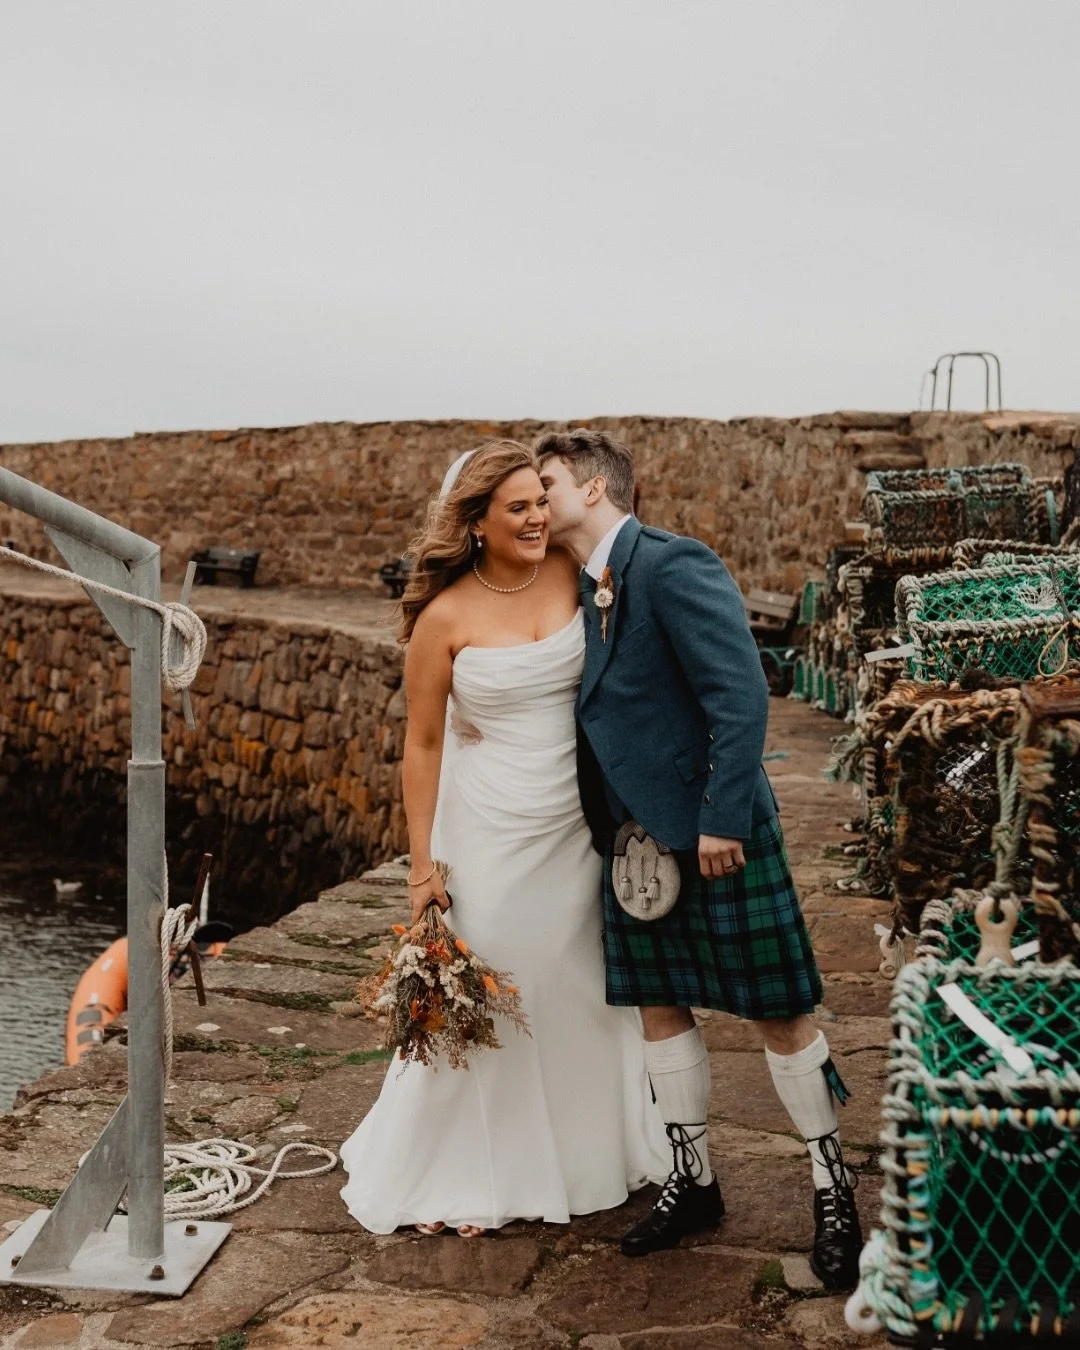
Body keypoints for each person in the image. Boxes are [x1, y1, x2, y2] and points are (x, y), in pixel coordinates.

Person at [536, 428, 862, 1290]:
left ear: (598, 489)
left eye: (549, 483)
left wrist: (722, 818)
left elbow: (741, 691)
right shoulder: (576, 584)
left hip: (715, 836)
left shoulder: (672, 565)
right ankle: (695, 1180)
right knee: (658, 1007)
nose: (537, 498)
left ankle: (835, 1189)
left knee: (779, 1011)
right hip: (636, 845)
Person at [339, 440, 668, 1236]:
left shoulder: (574, 573)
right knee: (498, 988)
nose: (535, 517)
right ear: (477, 521)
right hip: (485, 826)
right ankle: (467, 1168)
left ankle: (596, 1153)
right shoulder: (442, 619)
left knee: (576, 986)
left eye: (539, 502)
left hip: (573, 818)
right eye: (516, 507)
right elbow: (423, 745)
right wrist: (423, 865)